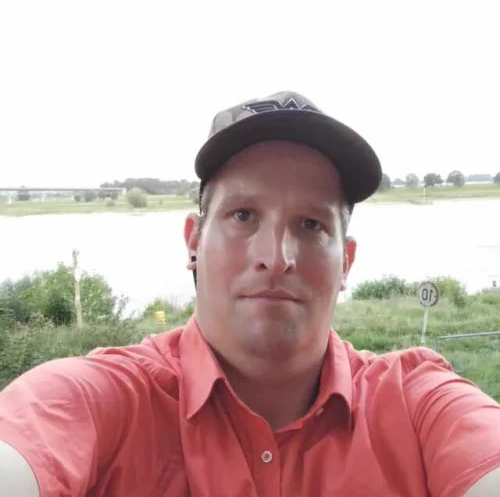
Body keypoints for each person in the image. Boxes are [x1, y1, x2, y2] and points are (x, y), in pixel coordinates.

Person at [0, 91, 499, 496]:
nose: (276, 257)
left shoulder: (417, 406)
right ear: (194, 242)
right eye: (243, 215)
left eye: (310, 224)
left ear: (346, 262)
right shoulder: (97, 402)